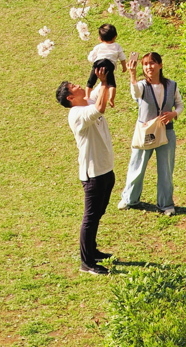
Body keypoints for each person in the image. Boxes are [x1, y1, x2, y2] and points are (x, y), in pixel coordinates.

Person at [56, 64, 117, 275]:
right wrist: (103, 81)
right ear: (70, 98)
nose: (79, 85)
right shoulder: (76, 114)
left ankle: (92, 250)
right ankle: (87, 263)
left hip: (106, 169)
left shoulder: (88, 101)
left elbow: (101, 93)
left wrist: (105, 68)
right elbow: (100, 107)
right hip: (93, 175)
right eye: (74, 87)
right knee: (90, 218)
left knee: (99, 213)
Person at [117, 52, 184, 215]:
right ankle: (129, 199)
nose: (149, 67)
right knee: (137, 165)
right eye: (145, 64)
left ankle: (166, 204)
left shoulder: (171, 85)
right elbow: (135, 94)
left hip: (166, 132)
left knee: (166, 169)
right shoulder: (141, 85)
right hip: (145, 132)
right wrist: (132, 75)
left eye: (152, 63)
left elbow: (180, 105)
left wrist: (174, 114)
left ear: (160, 65)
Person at [87, 23, 126, 90]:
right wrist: (124, 67)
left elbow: (90, 58)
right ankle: (111, 98)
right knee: (111, 84)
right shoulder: (117, 46)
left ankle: (87, 95)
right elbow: (122, 58)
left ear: (100, 39)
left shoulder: (98, 47)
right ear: (115, 36)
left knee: (90, 82)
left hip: (97, 64)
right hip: (109, 65)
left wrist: (96, 60)